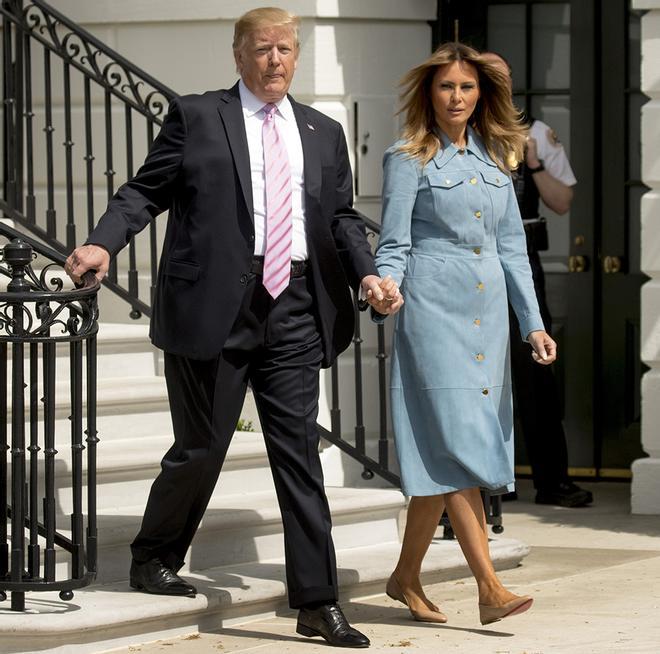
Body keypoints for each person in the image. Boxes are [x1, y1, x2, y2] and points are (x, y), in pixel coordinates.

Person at [65, 7, 402, 649]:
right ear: (239, 55)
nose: (275, 60)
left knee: (298, 455)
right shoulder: (198, 116)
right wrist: (104, 243)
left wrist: (366, 277)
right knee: (201, 449)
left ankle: (316, 600)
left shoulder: (323, 131)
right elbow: (144, 192)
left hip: (297, 304)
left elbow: (340, 219)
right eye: (262, 49)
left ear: (296, 55)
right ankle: (154, 555)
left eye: (285, 49)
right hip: (214, 305)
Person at [373, 42, 557, 626]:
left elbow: (513, 250)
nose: (457, 97)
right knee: (456, 447)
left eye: (467, 87)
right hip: (431, 314)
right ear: (430, 92)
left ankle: (404, 578)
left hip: (488, 320)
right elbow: (394, 242)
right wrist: (386, 289)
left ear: (482, 96)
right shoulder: (408, 157)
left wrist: (532, 323)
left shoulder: (496, 159)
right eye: (447, 86)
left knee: (444, 454)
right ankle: (490, 586)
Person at [483, 52, 592, 508]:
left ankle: (552, 480)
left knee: (536, 367)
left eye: (499, 78)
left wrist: (533, 161)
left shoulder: (534, 133)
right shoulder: (454, 133)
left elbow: (563, 202)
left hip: (521, 257)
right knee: (481, 371)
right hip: (473, 260)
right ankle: (489, 483)